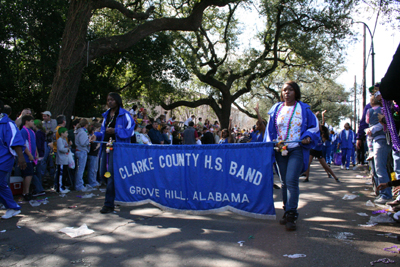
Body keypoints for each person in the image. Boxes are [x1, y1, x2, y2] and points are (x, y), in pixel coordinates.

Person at [265, 81, 319, 231]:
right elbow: (269, 131)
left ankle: (291, 214)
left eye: (289, 90)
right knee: (283, 182)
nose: (286, 93)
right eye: (284, 90)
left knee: (291, 180)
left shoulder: (304, 109)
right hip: (280, 149)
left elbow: (314, 127)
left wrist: (307, 136)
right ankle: (286, 209)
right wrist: (271, 144)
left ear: (296, 92)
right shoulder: (276, 109)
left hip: (297, 149)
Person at [97, 92, 135, 214]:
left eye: (112, 99)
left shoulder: (125, 115)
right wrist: (95, 136)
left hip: (118, 149)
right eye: (108, 100)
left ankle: (108, 204)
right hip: (106, 148)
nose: (110, 102)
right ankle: (117, 198)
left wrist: (116, 130)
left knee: (112, 175)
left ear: (117, 101)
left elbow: (130, 131)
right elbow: (102, 131)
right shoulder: (106, 115)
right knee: (104, 174)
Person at [0, 100, 27, 219]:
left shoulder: (8, 124)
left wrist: (21, 158)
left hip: (4, 159)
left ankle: (13, 207)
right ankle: (12, 206)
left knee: (1, 183)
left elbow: (15, 141)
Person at [20, 115, 38, 201]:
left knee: (30, 174)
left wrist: (36, 153)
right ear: (26, 121)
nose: (32, 123)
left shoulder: (32, 131)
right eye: (31, 121)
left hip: (32, 157)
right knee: (28, 175)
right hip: (27, 158)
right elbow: (23, 144)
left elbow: (34, 143)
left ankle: (27, 191)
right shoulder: (23, 131)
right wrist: (30, 155)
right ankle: (26, 192)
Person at [75, 119, 94, 191]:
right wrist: (89, 141)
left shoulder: (78, 131)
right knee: (81, 169)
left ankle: (78, 184)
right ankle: (79, 185)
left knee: (79, 169)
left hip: (79, 150)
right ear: (86, 125)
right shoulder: (82, 132)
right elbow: (83, 143)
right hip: (82, 151)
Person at [55, 127, 71, 194]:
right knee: (61, 174)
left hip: (65, 159)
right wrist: (67, 149)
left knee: (64, 174)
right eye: (66, 132)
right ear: (62, 133)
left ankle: (63, 186)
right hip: (61, 160)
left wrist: (69, 146)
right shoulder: (59, 140)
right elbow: (61, 149)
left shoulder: (64, 140)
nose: (67, 134)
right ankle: (59, 188)